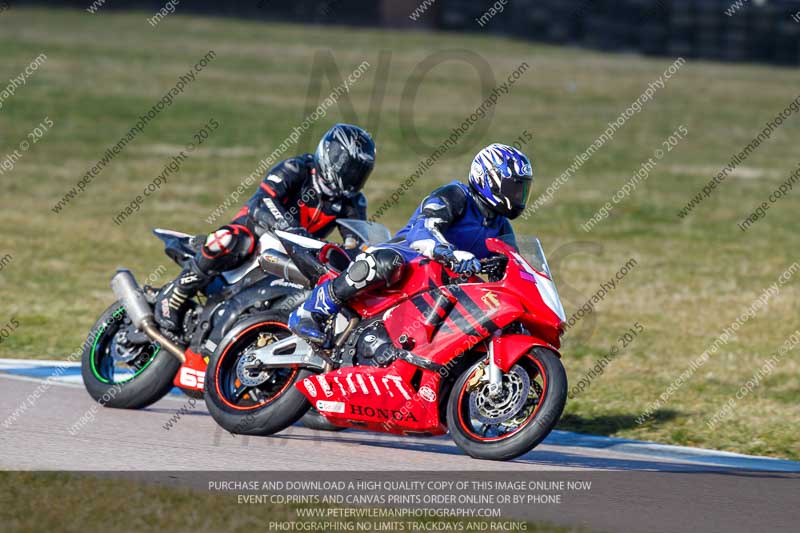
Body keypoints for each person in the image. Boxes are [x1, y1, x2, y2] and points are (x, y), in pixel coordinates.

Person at [289, 142, 533, 343]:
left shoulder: (500, 225)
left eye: (522, 190)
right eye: (514, 188)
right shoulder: (456, 195)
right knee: (386, 262)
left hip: (444, 284)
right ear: (488, 179)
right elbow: (424, 229)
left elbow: (513, 266)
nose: (518, 196)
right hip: (408, 258)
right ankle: (313, 310)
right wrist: (450, 253)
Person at [154, 123, 376, 334]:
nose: (353, 177)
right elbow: (262, 202)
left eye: (360, 172)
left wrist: (359, 254)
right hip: (257, 230)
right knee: (228, 239)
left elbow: (355, 239)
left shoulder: (354, 202)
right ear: (331, 157)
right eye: (350, 169)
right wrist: (290, 228)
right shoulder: (296, 168)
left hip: (297, 252)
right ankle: (176, 293)